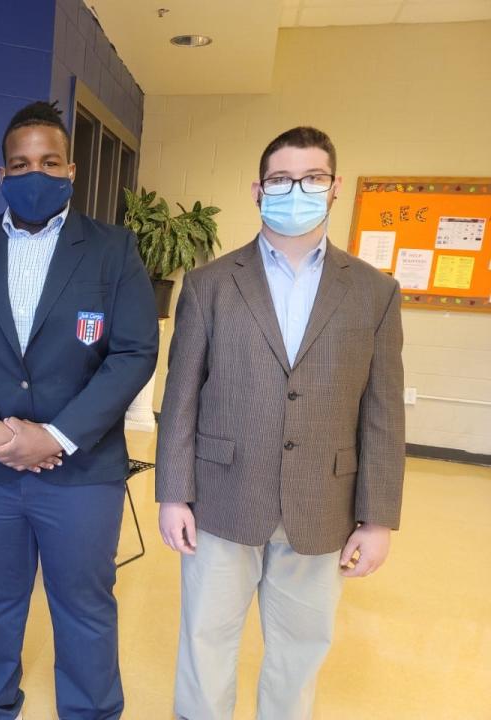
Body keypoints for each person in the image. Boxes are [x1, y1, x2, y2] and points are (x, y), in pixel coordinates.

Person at [0, 101, 159, 720]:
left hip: (80, 472)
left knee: (84, 601)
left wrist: (57, 435)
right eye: (20, 163)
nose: (35, 173)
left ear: (71, 169)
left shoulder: (112, 249)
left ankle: (92, 712)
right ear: (1, 174)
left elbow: (133, 352)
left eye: (49, 162)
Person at [155, 126, 405, 720]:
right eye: (281, 179)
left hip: (324, 503)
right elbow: (181, 394)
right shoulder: (211, 284)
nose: (297, 190)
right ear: (257, 190)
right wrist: (172, 494)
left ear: (334, 187)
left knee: (299, 652)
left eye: (312, 178)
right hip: (220, 497)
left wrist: (378, 518)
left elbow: (383, 413)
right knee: (204, 642)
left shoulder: (375, 292)